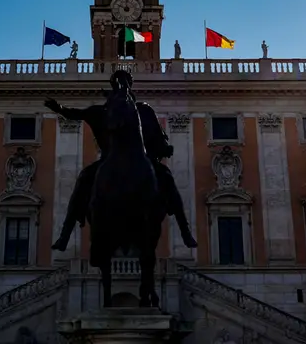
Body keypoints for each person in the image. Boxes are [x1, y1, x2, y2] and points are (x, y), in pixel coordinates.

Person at [45, 70, 198, 251]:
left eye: (125, 81)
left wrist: (165, 148)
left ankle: (185, 231)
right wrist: (59, 109)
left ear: (130, 85)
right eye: (118, 82)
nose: (122, 85)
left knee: (168, 179)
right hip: (108, 160)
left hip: (144, 159)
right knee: (83, 179)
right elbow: (76, 114)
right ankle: (65, 235)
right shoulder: (103, 112)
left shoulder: (145, 110)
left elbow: (158, 135)